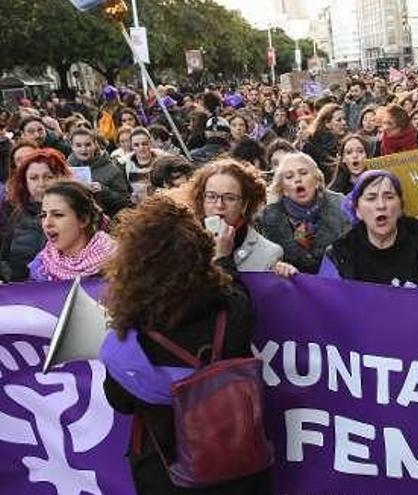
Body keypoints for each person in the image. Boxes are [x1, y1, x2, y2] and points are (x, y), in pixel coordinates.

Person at [101, 196, 272, 495]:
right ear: (199, 252)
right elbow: (233, 293)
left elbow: (121, 402)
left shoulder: (132, 330)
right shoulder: (232, 309)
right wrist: (223, 260)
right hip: (236, 469)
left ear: (136, 263)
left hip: (165, 472)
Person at [319, 170, 418, 296]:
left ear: (400, 206)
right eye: (371, 198)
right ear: (357, 210)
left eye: (389, 197)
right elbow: (325, 304)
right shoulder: (339, 254)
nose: (381, 205)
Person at [189, 158, 293, 274]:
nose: (219, 205)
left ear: (244, 204)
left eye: (230, 198)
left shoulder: (269, 253)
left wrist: (222, 257)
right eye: (211, 196)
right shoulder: (184, 241)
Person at [260, 153, 349, 274]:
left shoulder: (342, 206)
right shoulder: (268, 218)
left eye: (303, 173)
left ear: (317, 180)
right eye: (289, 177)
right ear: (283, 190)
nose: (297, 179)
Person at [1, 148, 72, 281]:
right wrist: (11, 279)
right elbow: (4, 258)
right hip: (22, 293)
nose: (41, 184)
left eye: (48, 177)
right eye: (33, 178)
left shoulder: (76, 214)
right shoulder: (16, 214)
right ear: (25, 182)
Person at [29, 181, 116, 281]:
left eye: (58, 215)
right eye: (43, 215)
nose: (47, 223)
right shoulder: (41, 266)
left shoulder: (117, 262)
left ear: (84, 220)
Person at [68, 128, 131, 216]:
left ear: (95, 145)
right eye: (78, 145)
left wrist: (104, 191)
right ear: (72, 147)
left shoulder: (112, 169)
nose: (84, 149)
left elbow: (125, 202)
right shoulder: (66, 168)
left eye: (88, 145)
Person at [302, 103, 346, 179]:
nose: (344, 123)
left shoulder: (340, 138)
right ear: (327, 124)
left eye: (344, 119)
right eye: (339, 120)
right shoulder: (319, 144)